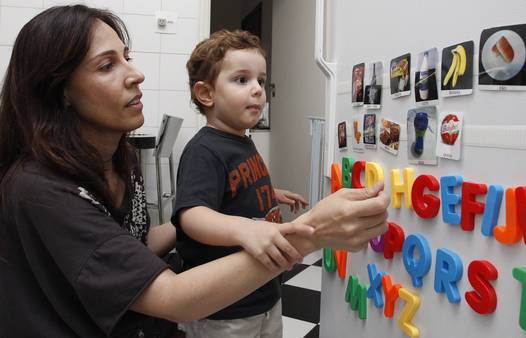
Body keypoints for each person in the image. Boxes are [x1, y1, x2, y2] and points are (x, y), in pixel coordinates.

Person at [0, 5, 390, 338]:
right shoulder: (40, 190)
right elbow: (174, 299)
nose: (135, 75)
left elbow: (127, 247)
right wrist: (311, 233)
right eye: (106, 65)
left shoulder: (119, 160)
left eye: (127, 57)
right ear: (59, 92)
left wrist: (212, 211)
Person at [173, 29, 311, 337]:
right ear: (206, 94)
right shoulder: (204, 149)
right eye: (242, 80)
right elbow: (192, 215)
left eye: (260, 81)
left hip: (263, 289)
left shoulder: (241, 141)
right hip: (224, 307)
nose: (258, 90)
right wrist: (246, 229)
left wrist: (272, 193)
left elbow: (232, 187)